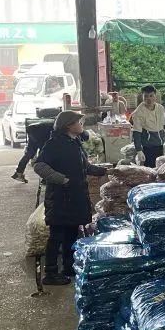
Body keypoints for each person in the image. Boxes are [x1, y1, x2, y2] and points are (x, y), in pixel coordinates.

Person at [32, 111, 106, 286]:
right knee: (57, 235)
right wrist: (62, 180)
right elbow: (39, 165)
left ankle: (68, 266)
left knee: (72, 233)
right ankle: (50, 272)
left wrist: (105, 171)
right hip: (60, 197)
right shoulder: (54, 144)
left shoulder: (75, 142)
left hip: (75, 195)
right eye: (79, 122)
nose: (82, 125)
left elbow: (85, 166)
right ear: (68, 125)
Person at [131, 85, 165, 168]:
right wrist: (139, 150)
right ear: (142, 97)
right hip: (147, 146)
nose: (149, 99)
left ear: (155, 96)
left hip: (160, 144)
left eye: (151, 96)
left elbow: (164, 125)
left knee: (160, 167)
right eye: (146, 96)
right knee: (150, 170)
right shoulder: (138, 112)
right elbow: (136, 132)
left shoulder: (160, 108)